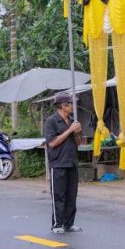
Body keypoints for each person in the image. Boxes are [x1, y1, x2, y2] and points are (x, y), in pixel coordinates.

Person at [44, 92, 82, 234]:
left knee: (71, 195)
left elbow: (78, 143)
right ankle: (57, 224)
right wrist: (69, 130)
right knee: (59, 196)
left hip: (72, 162)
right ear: (63, 105)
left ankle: (69, 223)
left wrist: (76, 132)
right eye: (71, 103)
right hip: (58, 163)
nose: (73, 106)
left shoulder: (72, 121)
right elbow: (52, 143)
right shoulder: (51, 121)